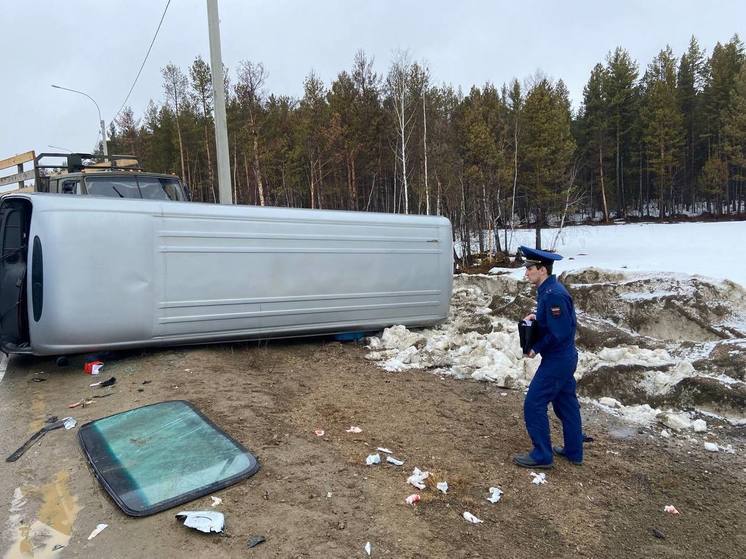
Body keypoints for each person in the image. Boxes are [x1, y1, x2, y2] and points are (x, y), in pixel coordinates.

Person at [513, 245, 583, 468]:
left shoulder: (553, 295)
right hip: (563, 357)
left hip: (558, 359)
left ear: (542, 270)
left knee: (533, 403)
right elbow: (556, 324)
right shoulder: (548, 291)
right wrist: (537, 317)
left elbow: (559, 332)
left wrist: (536, 347)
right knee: (566, 405)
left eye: (529, 268)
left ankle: (542, 455)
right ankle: (574, 452)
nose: (526, 273)